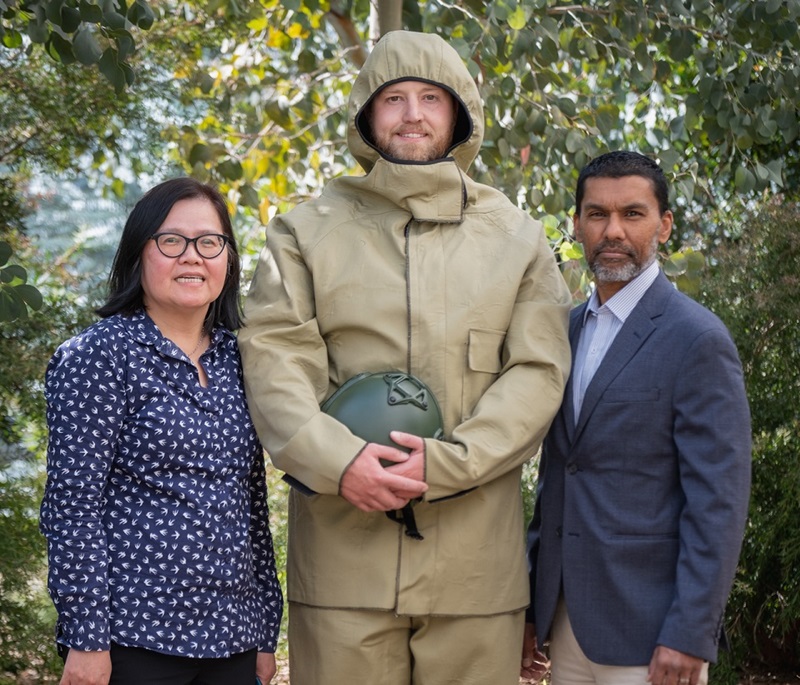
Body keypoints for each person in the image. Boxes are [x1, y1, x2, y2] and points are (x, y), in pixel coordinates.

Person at [238, 29, 572, 685]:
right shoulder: (304, 232)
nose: (413, 114)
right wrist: (342, 462)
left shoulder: (518, 238)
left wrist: (451, 462)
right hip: (342, 565)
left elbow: (537, 373)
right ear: (367, 114)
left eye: (430, 98)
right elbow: (275, 362)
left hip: (476, 573)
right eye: (393, 98)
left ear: (460, 113)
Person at [39, 178, 283, 685]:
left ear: (228, 259)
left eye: (209, 242)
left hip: (232, 637)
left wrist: (265, 629)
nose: (192, 257)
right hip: (134, 638)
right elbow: (72, 506)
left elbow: (250, 502)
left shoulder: (241, 360)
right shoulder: (98, 358)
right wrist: (86, 639)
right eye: (172, 241)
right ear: (139, 254)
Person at [521, 151, 752, 685]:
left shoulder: (697, 339)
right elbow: (557, 479)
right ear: (577, 224)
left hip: (651, 633)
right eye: (597, 214)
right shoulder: (565, 332)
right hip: (565, 622)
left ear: (664, 225)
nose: (613, 231)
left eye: (633, 213)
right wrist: (533, 607)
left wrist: (690, 632)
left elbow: (718, 502)